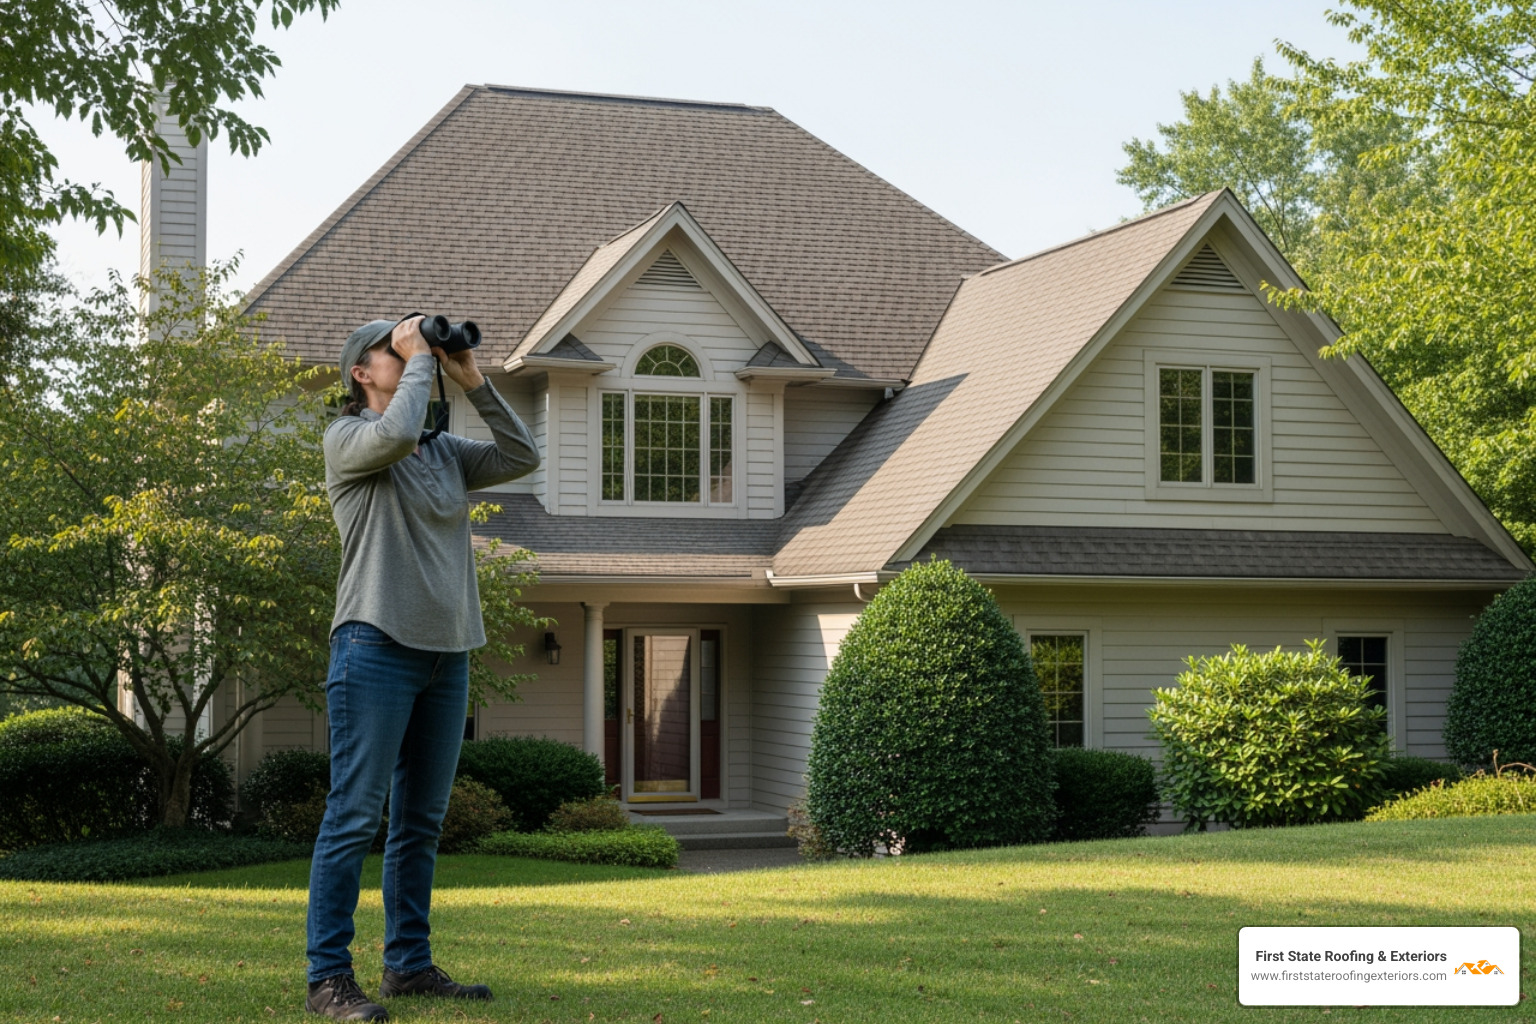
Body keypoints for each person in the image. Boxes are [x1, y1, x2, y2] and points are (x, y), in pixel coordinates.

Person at [304, 315, 539, 1021]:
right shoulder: (349, 441)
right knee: (353, 817)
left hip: (448, 651)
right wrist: (418, 362)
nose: (411, 360)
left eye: (413, 352)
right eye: (393, 353)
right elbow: (396, 433)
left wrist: (472, 379)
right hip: (373, 645)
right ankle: (328, 980)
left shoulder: (444, 453)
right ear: (360, 373)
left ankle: (407, 965)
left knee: (419, 822)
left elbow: (523, 456)